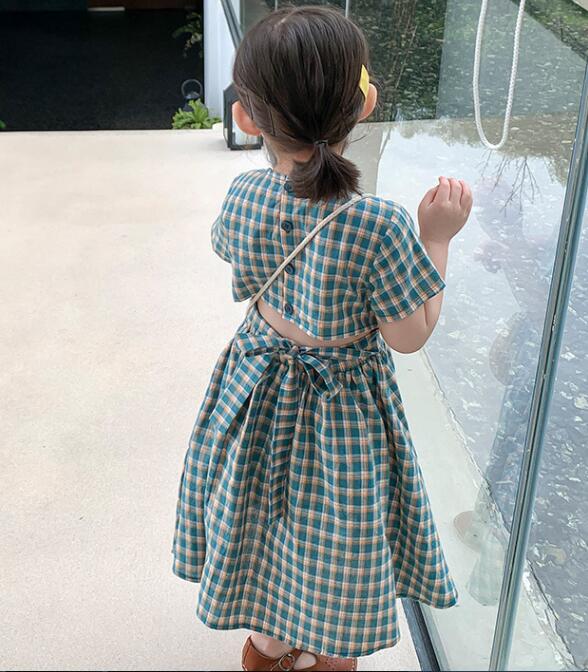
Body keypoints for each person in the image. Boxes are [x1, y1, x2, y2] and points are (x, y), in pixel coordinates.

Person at [172, 6, 472, 671]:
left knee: (260, 509)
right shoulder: (380, 224)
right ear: (363, 104)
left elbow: (229, 250)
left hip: (255, 388)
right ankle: (319, 642)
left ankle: (269, 645)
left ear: (247, 117)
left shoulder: (244, 194)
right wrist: (437, 239)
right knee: (331, 527)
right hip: (343, 413)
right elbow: (410, 335)